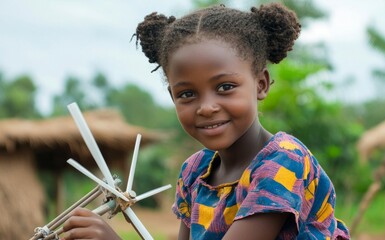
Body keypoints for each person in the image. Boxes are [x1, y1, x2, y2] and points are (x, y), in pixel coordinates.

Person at [62, 3, 350, 240]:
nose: (207, 107)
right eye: (187, 94)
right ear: (173, 97)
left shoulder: (282, 162)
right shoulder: (194, 172)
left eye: (225, 87)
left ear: (261, 84)